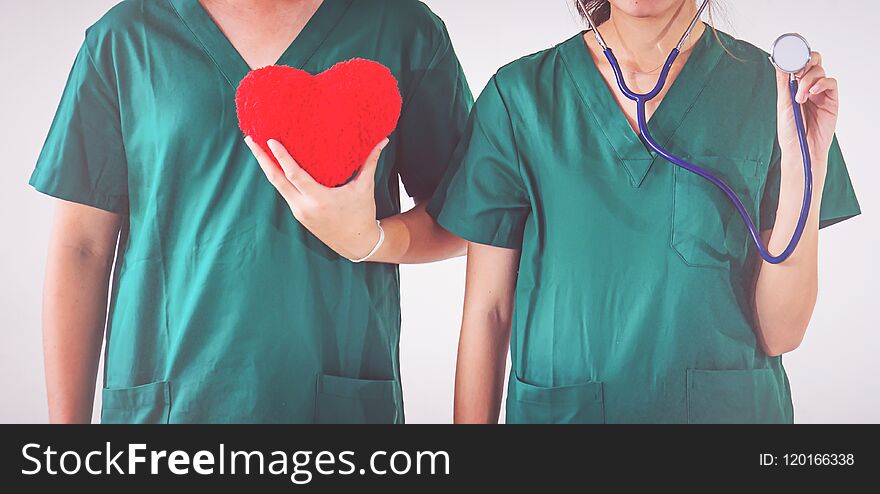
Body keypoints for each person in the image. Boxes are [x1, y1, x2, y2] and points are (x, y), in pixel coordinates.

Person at [30, 0, 472, 424]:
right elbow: (81, 249)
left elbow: (467, 221)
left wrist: (372, 240)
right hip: (166, 408)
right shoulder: (125, 38)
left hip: (334, 405)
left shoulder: (402, 29)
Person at [428, 0, 860, 423]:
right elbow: (489, 311)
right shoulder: (519, 96)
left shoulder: (775, 93)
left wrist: (810, 163)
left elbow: (782, 332)